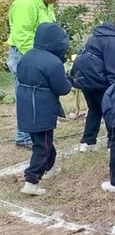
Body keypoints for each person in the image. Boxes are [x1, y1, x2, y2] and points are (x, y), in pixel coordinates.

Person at [70, 6, 115, 152]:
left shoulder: (101, 33)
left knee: (94, 109)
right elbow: (114, 70)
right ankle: (114, 142)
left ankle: (87, 142)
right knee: (111, 110)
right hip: (98, 79)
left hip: (83, 76)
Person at [7, 0, 65, 148]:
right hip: (25, 56)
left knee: (40, 95)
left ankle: (36, 133)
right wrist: (37, 60)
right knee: (27, 94)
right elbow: (22, 36)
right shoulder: (26, 4)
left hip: (38, 57)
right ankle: (24, 136)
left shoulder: (45, 3)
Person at [17, 23, 72, 195]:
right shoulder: (53, 62)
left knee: (41, 141)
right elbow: (63, 88)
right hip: (42, 108)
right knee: (43, 146)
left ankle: (49, 167)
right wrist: (70, 80)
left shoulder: (26, 56)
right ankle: (31, 181)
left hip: (25, 105)